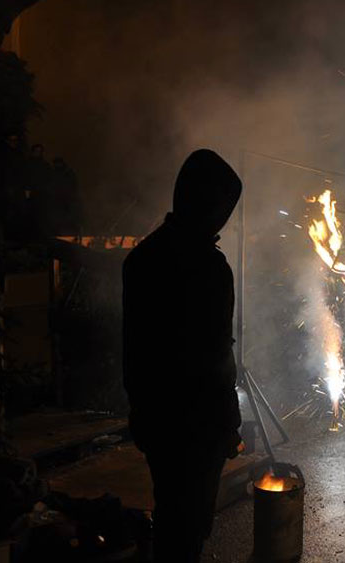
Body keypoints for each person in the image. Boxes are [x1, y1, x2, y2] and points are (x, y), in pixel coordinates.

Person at [122, 149, 243, 562]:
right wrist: (229, 422)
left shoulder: (141, 258)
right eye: (225, 207)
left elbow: (134, 348)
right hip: (197, 423)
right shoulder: (210, 268)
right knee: (189, 524)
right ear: (208, 203)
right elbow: (215, 356)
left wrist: (139, 411)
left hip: (157, 417)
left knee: (172, 514)